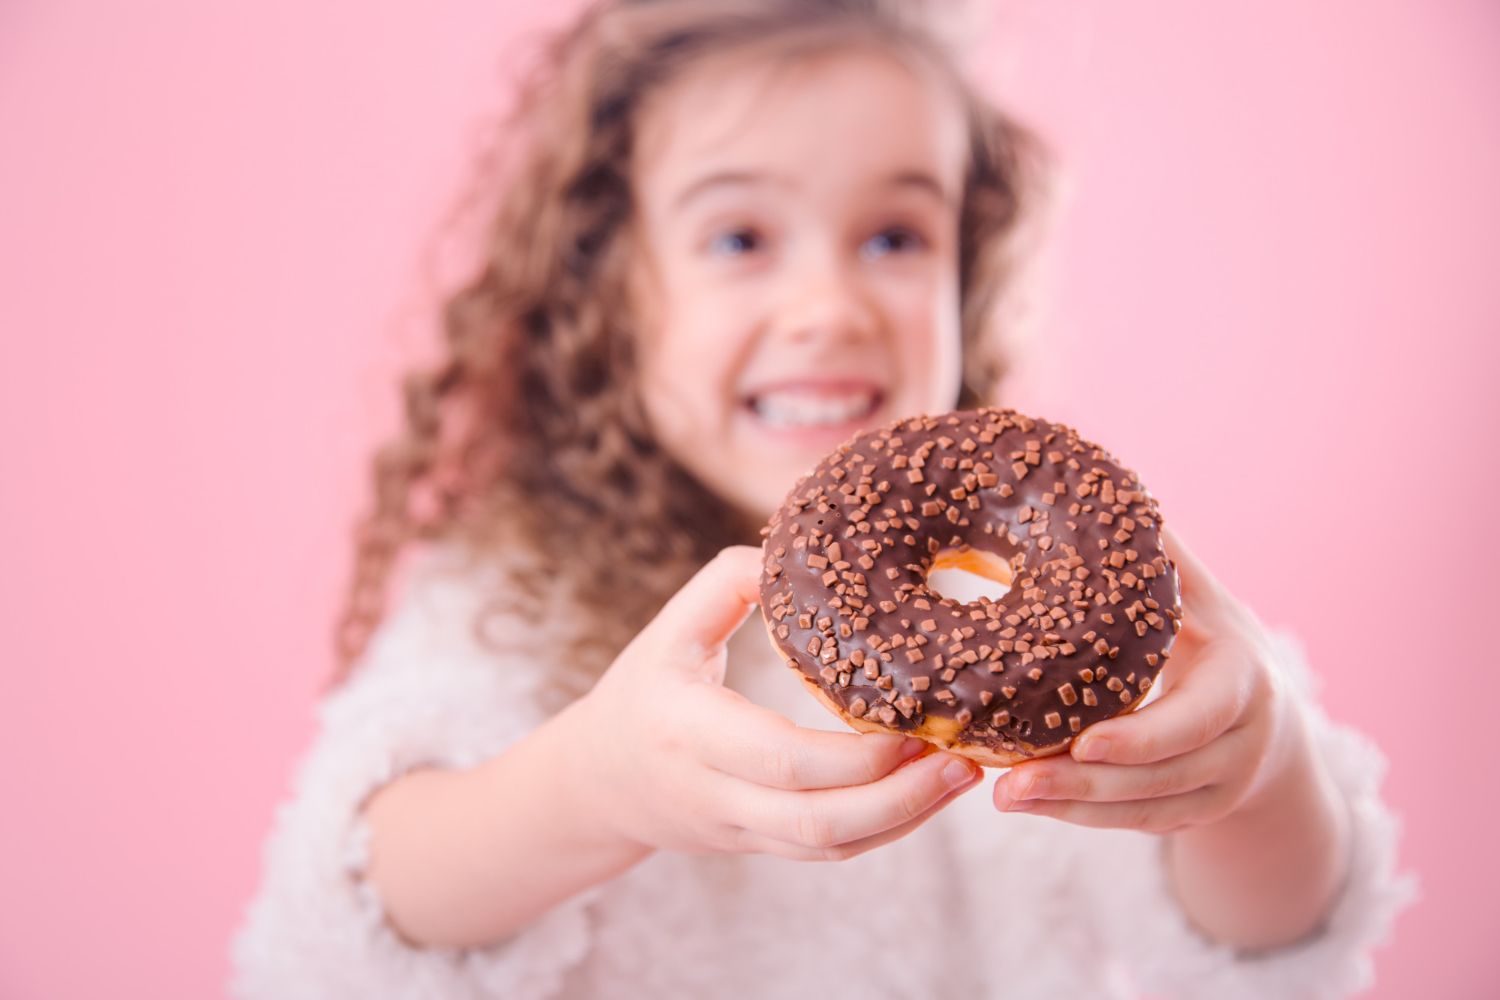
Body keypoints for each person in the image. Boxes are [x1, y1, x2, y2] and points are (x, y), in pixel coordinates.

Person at [229, 1, 1415, 996]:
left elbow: (1266, 944)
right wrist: (593, 784)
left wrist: (1258, 780)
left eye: (895, 236)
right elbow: (361, 900)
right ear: (613, 291)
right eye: (741, 237)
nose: (830, 307)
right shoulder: (518, 599)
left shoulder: (1057, 627)